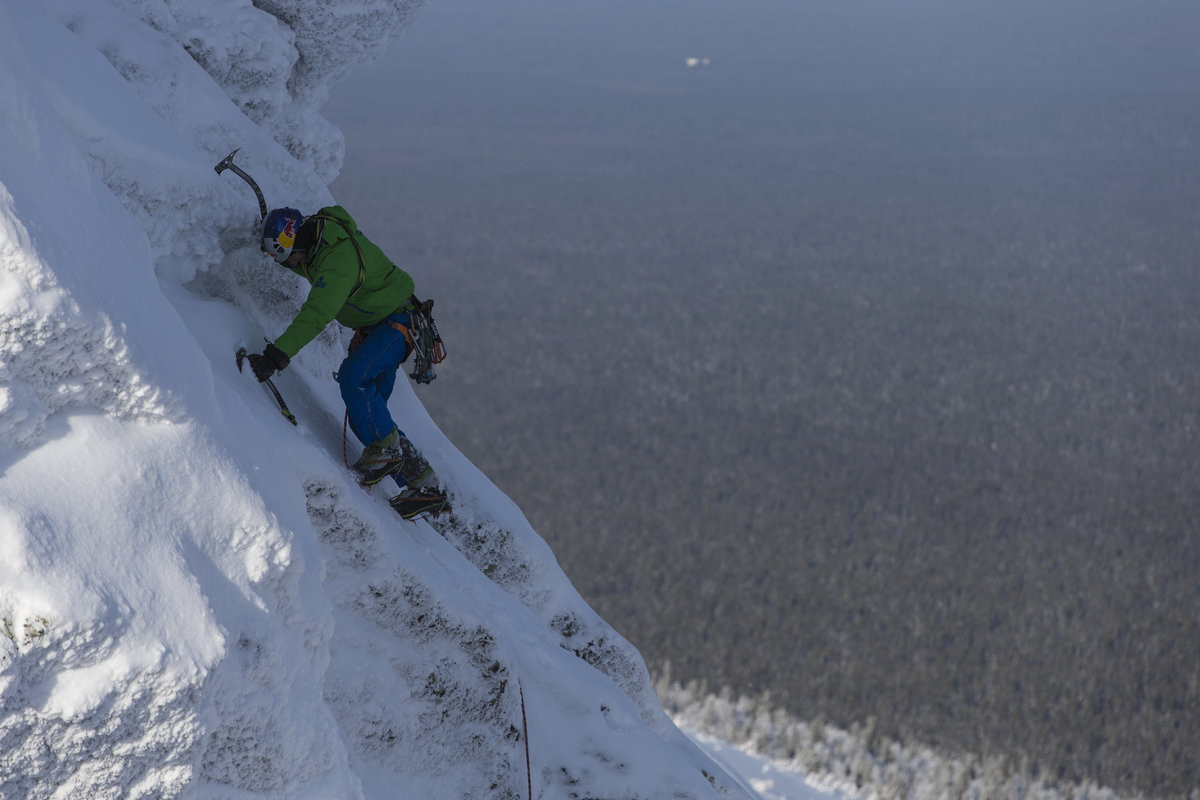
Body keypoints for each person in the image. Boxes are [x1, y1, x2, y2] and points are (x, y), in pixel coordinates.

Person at [246, 205, 444, 515]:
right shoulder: (315, 246)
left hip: (396, 324)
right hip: (385, 325)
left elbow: (316, 315)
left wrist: (275, 356)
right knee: (371, 416)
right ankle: (424, 484)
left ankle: (389, 456)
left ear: (297, 243)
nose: (289, 264)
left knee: (355, 379)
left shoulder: (336, 261)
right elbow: (298, 259)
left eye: (287, 256)